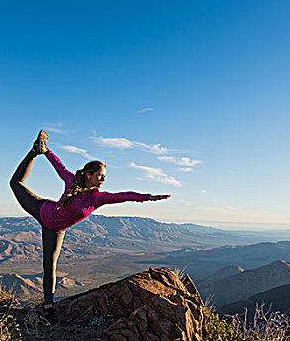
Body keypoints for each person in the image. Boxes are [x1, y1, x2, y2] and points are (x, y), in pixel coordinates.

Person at [9, 130, 170, 324]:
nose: (103, 180)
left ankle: (48, 307)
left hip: (55, 230)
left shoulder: (98, 198)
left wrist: (148, 197)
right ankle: (35, 151)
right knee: (16, 182)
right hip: (41, 208)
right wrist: (45, 151)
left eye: (104, 176)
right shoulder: (71, 180)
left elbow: (123, 195)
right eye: (100, 176)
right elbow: (58, 165)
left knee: (49, 265)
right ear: (88, 174)